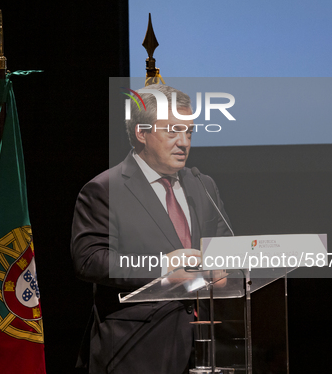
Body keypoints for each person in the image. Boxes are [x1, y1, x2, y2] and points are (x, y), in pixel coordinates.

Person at [71, 84, 233, 374]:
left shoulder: (202, 185)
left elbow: (223, 247)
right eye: (172, 131)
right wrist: (163, 266)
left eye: (189, 132)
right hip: (136, 350)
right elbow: (89, 260)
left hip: (203, 347)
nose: (183, 142)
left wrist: (224, 269)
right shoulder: (105, 189)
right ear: (141, 133)